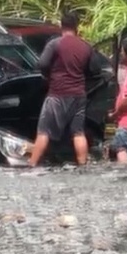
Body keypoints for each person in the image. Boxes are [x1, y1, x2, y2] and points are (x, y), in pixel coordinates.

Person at [28, 10, 94, 167]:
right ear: (76, 27)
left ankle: (31, 164)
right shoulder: (85, 47)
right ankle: (82, 164)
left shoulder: (55, 44)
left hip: (57, 94)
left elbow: (42, 64)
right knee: (78, 132)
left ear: (61, 25)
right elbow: (92, 70)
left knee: (44, 131)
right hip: (78, 95)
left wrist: (49, 75)